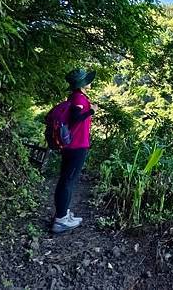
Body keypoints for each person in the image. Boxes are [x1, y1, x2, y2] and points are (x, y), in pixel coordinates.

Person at [51, 68, 98, 234]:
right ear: (82, 83)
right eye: (87, 80)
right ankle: (61, 220)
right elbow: (75, 118)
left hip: (74, 145)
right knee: (67, 181)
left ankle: (63, 214)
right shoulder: (78, 97)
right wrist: (92, 111)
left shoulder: (76, 96)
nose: (89, 81)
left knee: (67, 180)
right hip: (76, 146)